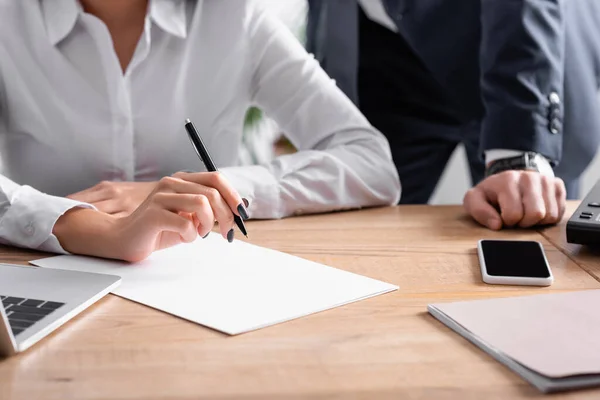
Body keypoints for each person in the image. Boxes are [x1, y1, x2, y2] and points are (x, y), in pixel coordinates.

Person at [0, 0, 401, 262]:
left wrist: (219, 191)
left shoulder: (234, 16)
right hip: (47, 273)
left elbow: (370, 162)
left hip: (201, 288)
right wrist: (77, 224)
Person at [307, 0, 600, 229]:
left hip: (520, 63)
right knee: (359, 236)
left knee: (527, 231)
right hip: (389, 59)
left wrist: (518, 151)